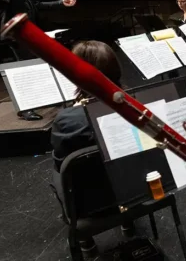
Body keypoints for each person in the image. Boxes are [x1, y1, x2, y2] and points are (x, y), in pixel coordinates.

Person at [49, 40, 132, 256]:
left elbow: (60, 165)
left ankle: (87, 242)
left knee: (63, 171)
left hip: (89, 206)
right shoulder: (136, 106)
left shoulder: (66, 121)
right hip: (137, 191)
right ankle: (128, 222)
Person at [0, 0, 77, 121]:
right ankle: (26, 108)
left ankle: (50, 98)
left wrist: (60, 3)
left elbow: (36, 5)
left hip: (31, 32)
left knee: (43, 64)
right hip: (16, 34)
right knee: (25, 69)